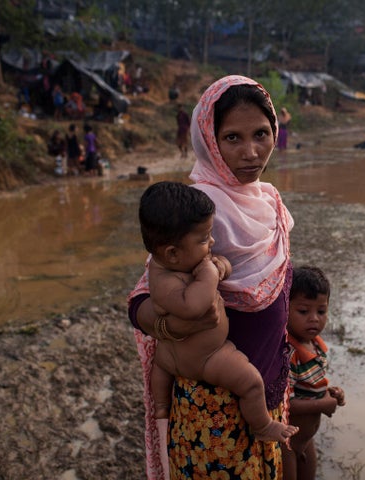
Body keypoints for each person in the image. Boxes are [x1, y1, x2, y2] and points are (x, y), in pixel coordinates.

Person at [128, 75, 295, 479]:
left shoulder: (268, 200)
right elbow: (141, 302)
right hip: (214, 401)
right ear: (208, 140)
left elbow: (279, 292)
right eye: (232, 138)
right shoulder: (200, 211)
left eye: (261, 133)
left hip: (266, 380)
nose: (251, 152)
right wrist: (170, 321)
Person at [138, 181, 298, 445]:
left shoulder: (182, 261)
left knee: (162, 366)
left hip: (173, 355)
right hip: (206, 357)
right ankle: (261, 425)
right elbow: (194, 306)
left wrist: (221, 266)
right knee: (250, 382)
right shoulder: (165, 280)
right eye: (204, 239)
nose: (212, 242)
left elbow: (218, 271)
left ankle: (163, 407)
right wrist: (210, 274)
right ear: (172, 253)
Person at [281, 266, 345, 480]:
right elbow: (284, 405)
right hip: (288, 443)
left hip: (306, 439)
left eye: (321, 311)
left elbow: (309, 386)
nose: (314, 319)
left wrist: (330, 393)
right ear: (285, 309)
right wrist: (322, 405)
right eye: (303, 311)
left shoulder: (317, 346)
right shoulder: (289, 354)